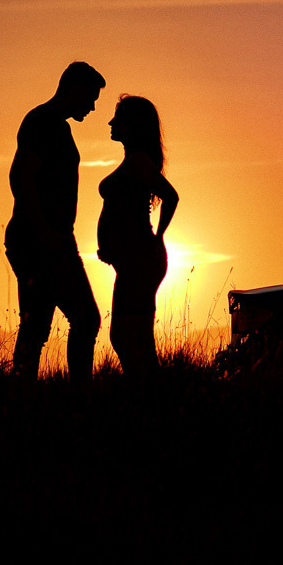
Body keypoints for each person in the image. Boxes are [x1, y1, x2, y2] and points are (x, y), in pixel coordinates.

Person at [4, 62, 105, 385]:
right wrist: (45, 231)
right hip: (39, 242)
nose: (91, 107)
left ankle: (26, 397)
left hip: (52, 239)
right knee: (84, 318)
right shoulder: (41, 122)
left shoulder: (57, 127)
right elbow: (20, 178)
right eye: (89, 98)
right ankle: (77, 397)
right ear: (72, 87)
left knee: (38, 326)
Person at [96, 95, 179, 379]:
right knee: (142, 339)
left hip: (139, 261)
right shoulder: (134, 160)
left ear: (132, 124)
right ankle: (154, 400)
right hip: (135, 260)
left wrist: (157, 236)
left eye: (117, 119)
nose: (110, 123)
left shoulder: (139, 161)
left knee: (122, 337)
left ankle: (143, 396)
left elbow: (171, 196)